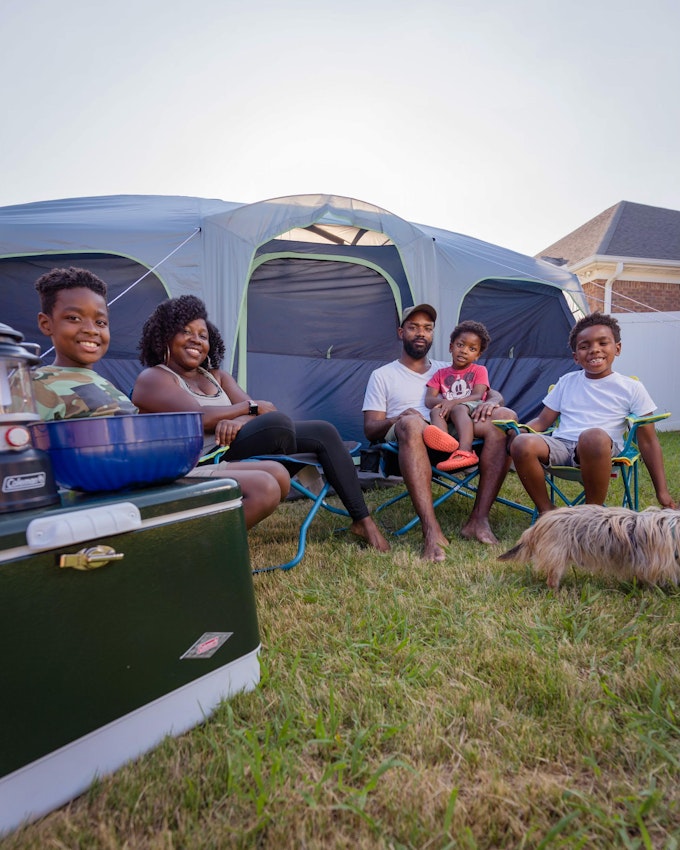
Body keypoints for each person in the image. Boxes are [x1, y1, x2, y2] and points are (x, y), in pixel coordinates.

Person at [32, 266, 288, 530]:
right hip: (122, 486)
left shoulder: (100, 381)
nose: (91, 330)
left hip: (155, 470)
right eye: (74, 318)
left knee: (278, 473)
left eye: (100, 322)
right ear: (46, 323)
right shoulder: (38, 384)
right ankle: (186, 554)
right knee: (264, 487)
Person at [131, 295, 390, 553]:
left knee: (323, 431)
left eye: (202, 334)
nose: (196, 340)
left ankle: (362, 520)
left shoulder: (216, 377)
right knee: (278, 424)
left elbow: (263, 411)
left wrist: (239, 420)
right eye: (185, 331)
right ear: (164, 337)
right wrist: (246, 409)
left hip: (233, 447)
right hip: (201, 460)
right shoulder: (153, 378)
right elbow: (198, 417)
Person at [362, 304, 516, 560]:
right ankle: (431, 533)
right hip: (410, 440)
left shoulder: (449, 367)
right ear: (401, 333)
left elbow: (487, 391)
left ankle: (478, 520)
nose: (421, 333)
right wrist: (399, 417)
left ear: (434, 334)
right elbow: (370, 429)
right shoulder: (383, 375)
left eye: (427, 328)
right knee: (412, 423)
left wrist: (494, 401)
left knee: (502, 419)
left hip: (454, 434)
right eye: (413, 327)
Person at [508, 311, 676, 515]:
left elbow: (648, 441)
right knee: (521, 442)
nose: (594, 350)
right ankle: (547, 512)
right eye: (584, 346)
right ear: (576, 357)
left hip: (601, 448)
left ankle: (590, 514)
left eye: (602, 343)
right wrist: (518, 431)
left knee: (592, 436)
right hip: (562, 445)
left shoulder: (631, 387)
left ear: (618, 348)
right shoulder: (567, 381)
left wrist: (662, 492)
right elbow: (542, 421)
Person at [424, 320, 491, 472]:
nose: (464, 351)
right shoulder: (440, 374)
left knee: (459, 409)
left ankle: (466, 452)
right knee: (435, 411)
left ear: (477, 355)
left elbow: (478, 394)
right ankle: (445, 443)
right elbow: (429, 399)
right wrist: (446, 403)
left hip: (474, 409)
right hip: (452, 412)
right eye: (460, 345)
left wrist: (453, 402)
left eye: (472, 348)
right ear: (451, 347)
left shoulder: (479, 370)